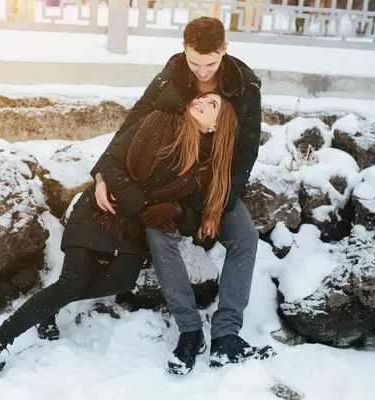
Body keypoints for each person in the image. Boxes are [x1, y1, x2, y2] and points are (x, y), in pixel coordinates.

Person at [0, 92, 237, 386]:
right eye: (203, 97)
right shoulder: (160, 121)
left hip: (132, 229)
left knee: (123, 279)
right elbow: (112, 161)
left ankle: (48, 306)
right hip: (100, 208)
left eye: (212, 104)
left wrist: (176, 209)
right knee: (72, 283)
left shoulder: (206, 170)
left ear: (216, 126)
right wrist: (141, 205)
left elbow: (194, 216)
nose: (202, 101)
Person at [92, 16, 275, 374]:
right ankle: (190, 330)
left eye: (210, 63)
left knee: (245, 237)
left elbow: (245, 154)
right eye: (195, 62)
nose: (203, 72)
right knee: (159, 233)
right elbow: (131, 126)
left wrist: (217, 208)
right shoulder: (171, 76)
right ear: (183, 48)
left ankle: (226, 335)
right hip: (172, 184)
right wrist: (103, 173)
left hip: (215, 183)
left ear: (225, 49)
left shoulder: (246, 85)